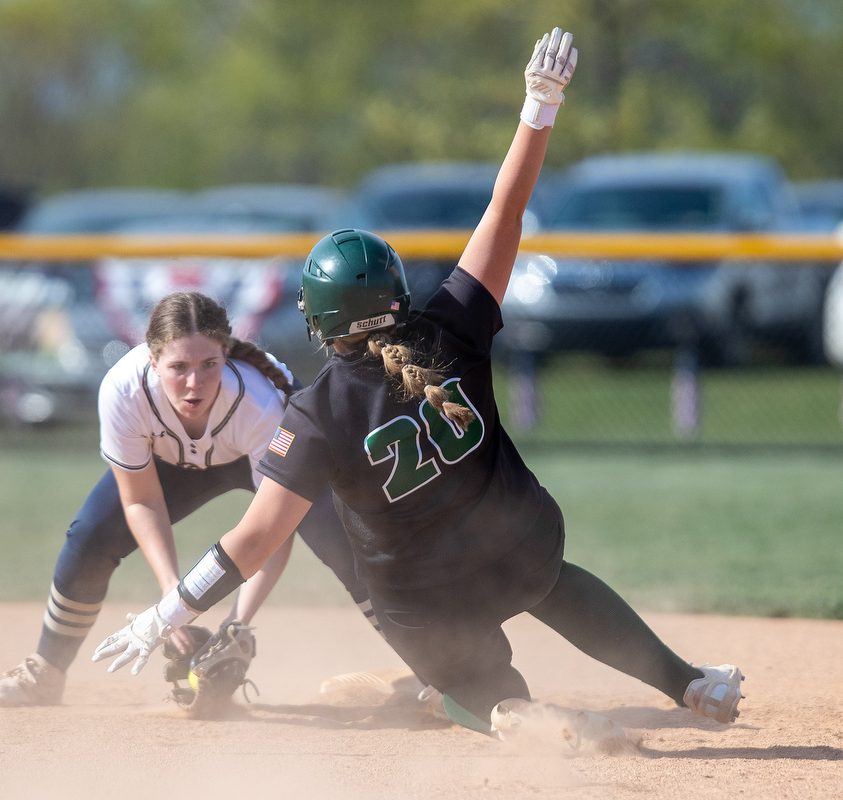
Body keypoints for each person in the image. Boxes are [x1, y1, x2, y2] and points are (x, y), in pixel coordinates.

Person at [92, 28, 744, 737]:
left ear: (322, 321)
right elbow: (506, 211)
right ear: (397, 292)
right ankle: (693, 685)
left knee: (472, 682)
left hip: (422, 602)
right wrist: (538, 105)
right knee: (551, 584)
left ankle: (510, 714)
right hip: (516, 544)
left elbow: (251, 541)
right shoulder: (453, 322)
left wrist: (167, 611)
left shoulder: (317, 414)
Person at [0, 291, 377, 706]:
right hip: (170, 462)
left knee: (347, 545)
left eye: (209, 365)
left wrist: (236, 624)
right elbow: (140, 502)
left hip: (256, 454)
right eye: (178, 367)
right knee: (90, 536)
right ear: (152, 361)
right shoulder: (124, 390)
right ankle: (46, 671)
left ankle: (436, 674)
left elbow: (270, 531)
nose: (195, 383)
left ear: (225, 354)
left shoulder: (260, 403)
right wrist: (174, 600)